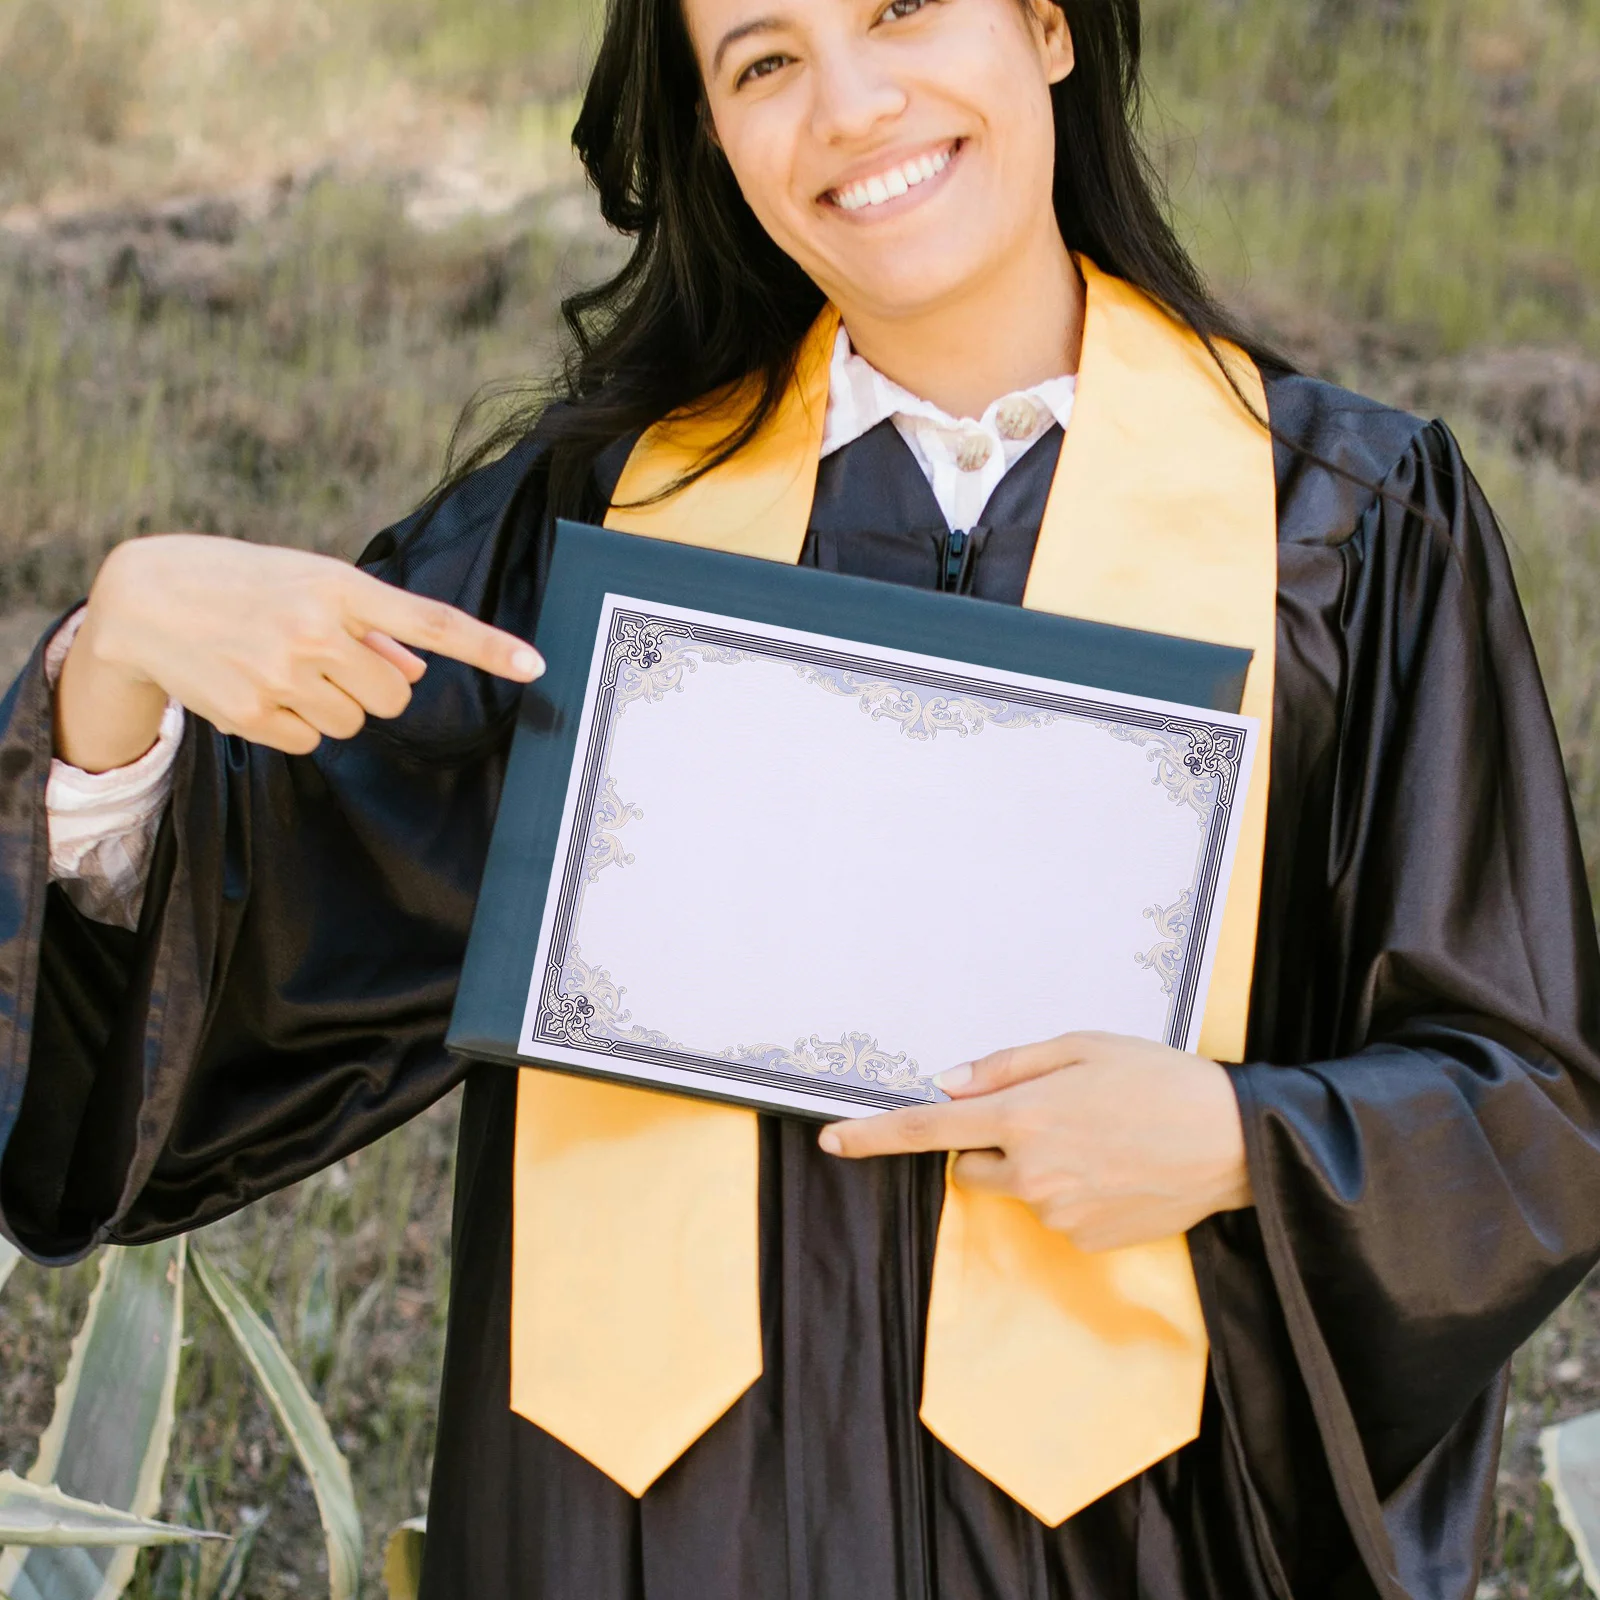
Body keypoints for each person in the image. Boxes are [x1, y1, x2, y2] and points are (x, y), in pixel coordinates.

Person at [2, 0, 1597, 1593]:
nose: (849, 104)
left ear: (1046, 26)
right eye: (763, 62)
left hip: (1128, 1536)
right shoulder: (604, 533)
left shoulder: (1340, 531)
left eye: (900, 11)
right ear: (712, 132)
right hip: (647, 1533)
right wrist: (115, 670)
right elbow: (248, 957)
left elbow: (1529, 1100)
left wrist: (1247, 1141)